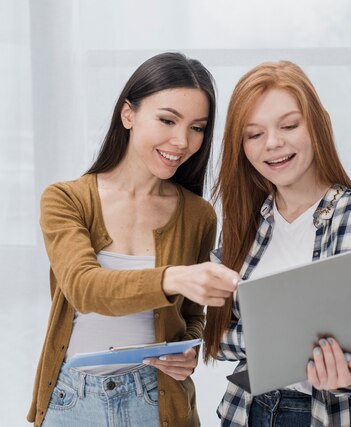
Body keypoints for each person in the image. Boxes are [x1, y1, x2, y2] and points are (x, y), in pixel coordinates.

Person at [28, 52, 239, 427]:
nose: (182, 140)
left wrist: (188, 350)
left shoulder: (198, 215)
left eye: (197, 127)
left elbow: (193, 316)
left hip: (157, 400)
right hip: (73, 401)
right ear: (128, 114)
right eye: (167, 120)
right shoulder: (66, 199)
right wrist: (172, 277)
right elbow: (84, 288)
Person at [202, 60, 351, 427]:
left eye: (288, 126)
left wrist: (346, 374)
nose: (273, 144)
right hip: (249, 410)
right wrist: (299, 341)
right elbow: (219, 338)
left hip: (324, 415)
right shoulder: (247, 224)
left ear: (316, 125)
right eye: (253, 134)